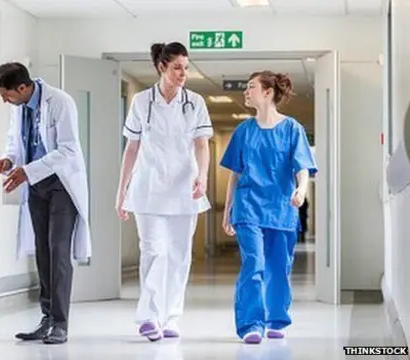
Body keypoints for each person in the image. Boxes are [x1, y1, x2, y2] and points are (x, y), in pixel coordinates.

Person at [0, 62, 90, 345]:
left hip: (61, 185)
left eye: (6, 94)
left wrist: (27, 171)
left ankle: (61, 323)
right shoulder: (18, 107)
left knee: (58, 252)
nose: (4, 100)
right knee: (42, 252)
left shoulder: (60, 102)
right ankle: (47, 318)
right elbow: (15, 141)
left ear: (22, 87)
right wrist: (7, 160)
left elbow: (67, 149)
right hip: (36, 185)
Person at [115, 42, 213, 341]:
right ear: (161, 67)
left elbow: (201, 144)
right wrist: (121, 191)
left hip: (185, 189)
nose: (183, 73)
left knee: (180, 256)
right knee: (154, 251)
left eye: (186, 67)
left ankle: (171, 317)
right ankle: (149, 317)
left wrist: (203, 176)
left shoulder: (194, 102)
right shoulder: (142, 102)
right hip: (148, 188)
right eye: (177, 67)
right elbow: (131, 149)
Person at [219, 71, 317, 344]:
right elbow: (235, 175)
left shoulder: (292, 129)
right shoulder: (243, 131)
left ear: (268, 92)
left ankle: (275, 319)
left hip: (281, 209)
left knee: (278, 267)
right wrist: (228, 211)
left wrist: (301, 190)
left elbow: (302, 168)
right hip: (248, 207)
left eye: (251, 87)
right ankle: (250, 324)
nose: (246, 92)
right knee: (254, 262)